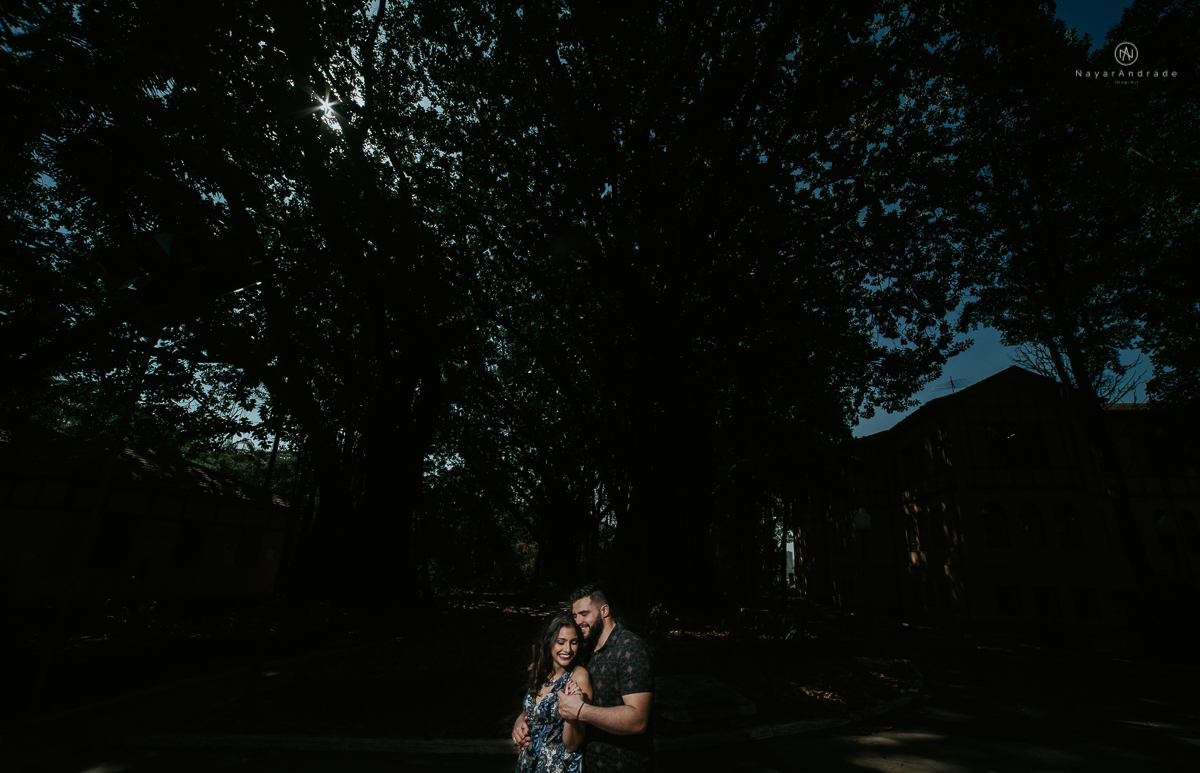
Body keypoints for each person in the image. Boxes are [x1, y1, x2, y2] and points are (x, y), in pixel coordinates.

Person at [514, 583, 655, 772]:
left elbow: (638, 720)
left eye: (584, 614)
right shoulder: (584, 650)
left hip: (622, 765)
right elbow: (550, 693)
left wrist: (581, 710)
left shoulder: (631, 649)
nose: (578, 621)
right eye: (575, 615)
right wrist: (522, 718)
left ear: (604, 610)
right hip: (587, 764)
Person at [514, 613, 593, 773]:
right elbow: (534, 708)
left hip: (559, 766)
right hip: (528, 764)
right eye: (561, 642)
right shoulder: (535, 669)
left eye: (574, 642)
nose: (568, 649)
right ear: (549, 642)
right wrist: (519, 721)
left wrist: (571, 710)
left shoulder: (578, 676)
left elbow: (573, 744)